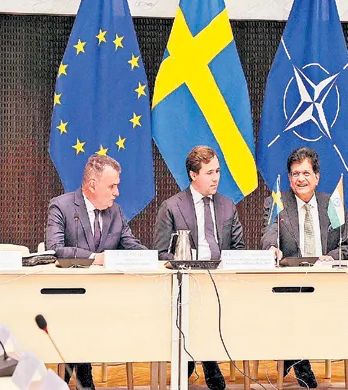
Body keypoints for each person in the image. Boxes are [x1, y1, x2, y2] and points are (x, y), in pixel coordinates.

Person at [45, 154, 147, 390]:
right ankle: (84, 377)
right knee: (79, 317)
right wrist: (94, 258)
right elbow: (55, 249)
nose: (116, 192)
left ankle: (71, 378)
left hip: (105, 298)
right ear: (92, 185)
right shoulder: (61, 206)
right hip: (68, 296)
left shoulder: (115, 212)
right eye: (112, 186)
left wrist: (154, 258)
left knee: (89, 316)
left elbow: (132, 245)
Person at [153, 146, 244, 390]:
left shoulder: (227, 206)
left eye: (218, 171)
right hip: (185, 284)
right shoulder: (172, 207)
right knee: (195, 303)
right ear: (193, 175)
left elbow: (238, 248)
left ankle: (195, 361)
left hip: (221, 282)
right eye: (209, 173)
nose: (216, 178)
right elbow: (161, 252)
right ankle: (208, 363)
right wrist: (186, 262)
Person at [261, 147, 348, 387]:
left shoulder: (331, 205)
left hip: (325, 281)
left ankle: (291, 356)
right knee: (294, 303)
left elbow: (346, 246)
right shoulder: (278, 202)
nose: (300, 179)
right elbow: (269, 234)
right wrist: (272, 248)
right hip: (290, 283)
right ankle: (301, 362)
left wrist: (330, 258)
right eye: (295, 174)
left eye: (305, 173)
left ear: (317, 177)